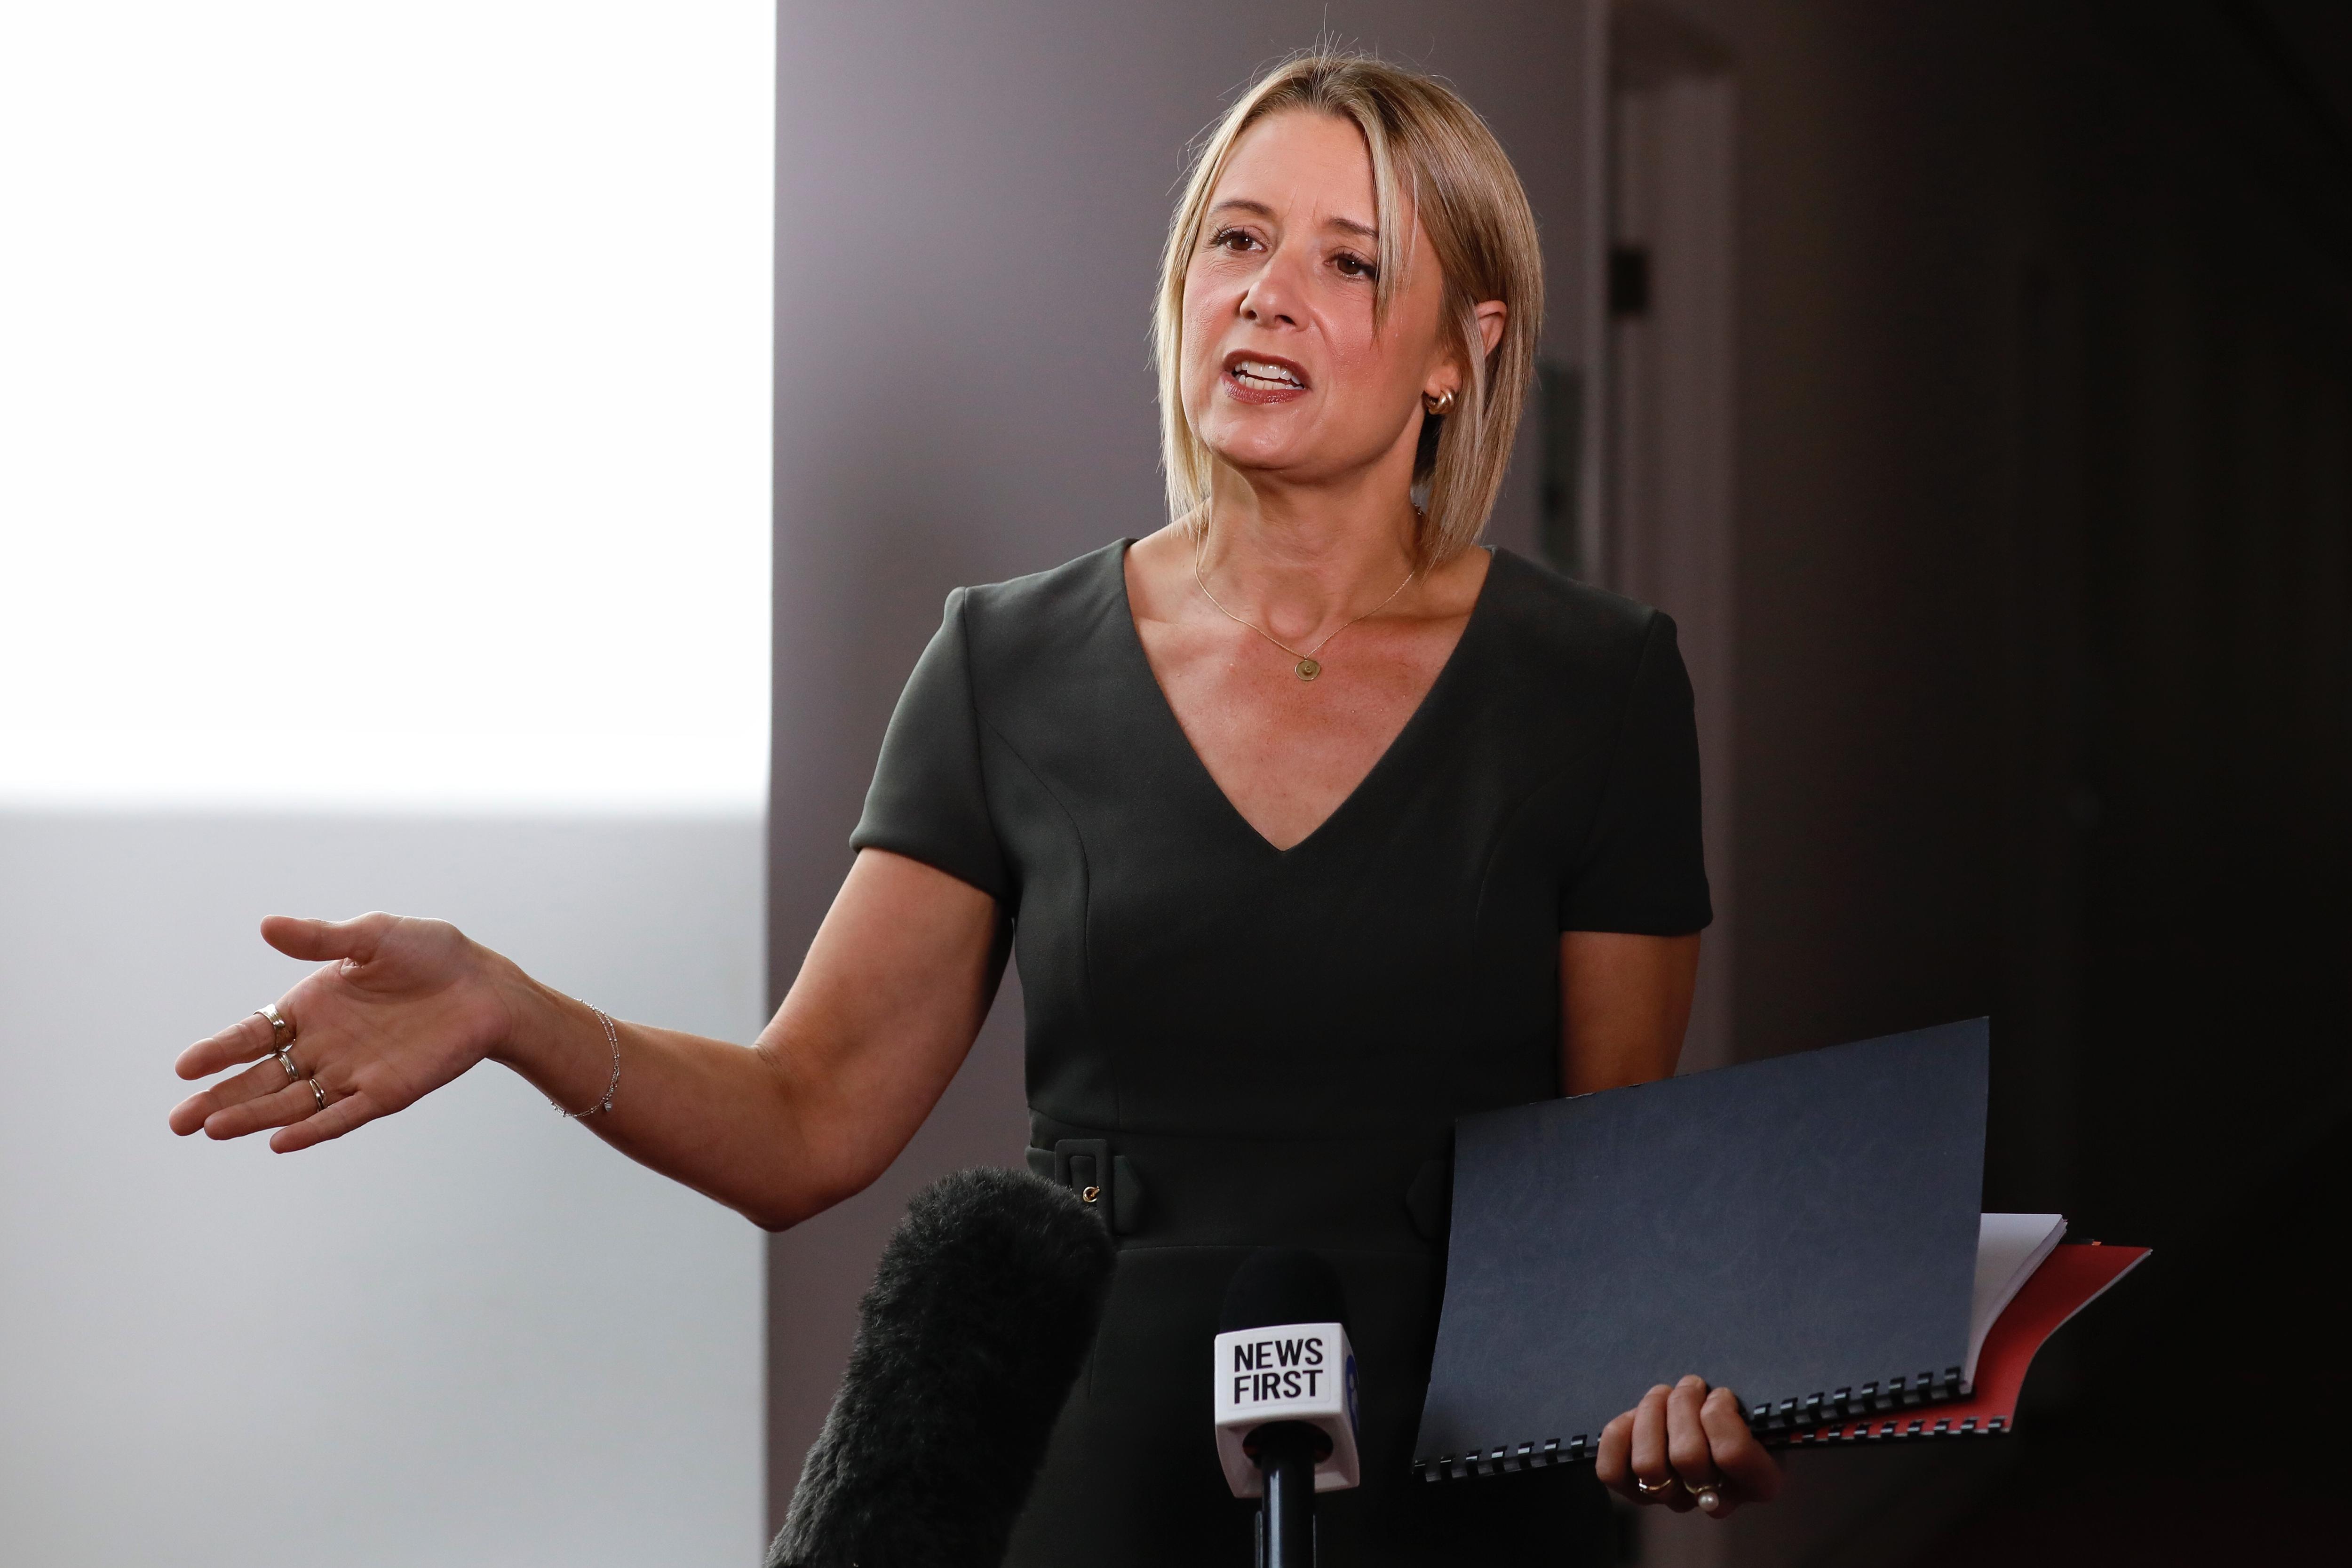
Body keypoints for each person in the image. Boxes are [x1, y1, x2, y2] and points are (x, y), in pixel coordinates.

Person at [169, 51, 1779, 1566]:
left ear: (1463, 352)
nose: (1263, 291)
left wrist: (1687, 1400)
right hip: (1084, 1483)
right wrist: (507, 1009)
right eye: (1233, 238)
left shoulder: (1601, 684)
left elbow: (1605, 1205)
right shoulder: (1004, 663)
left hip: (1468, 1500)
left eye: (1349, 261)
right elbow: (808, 1119)